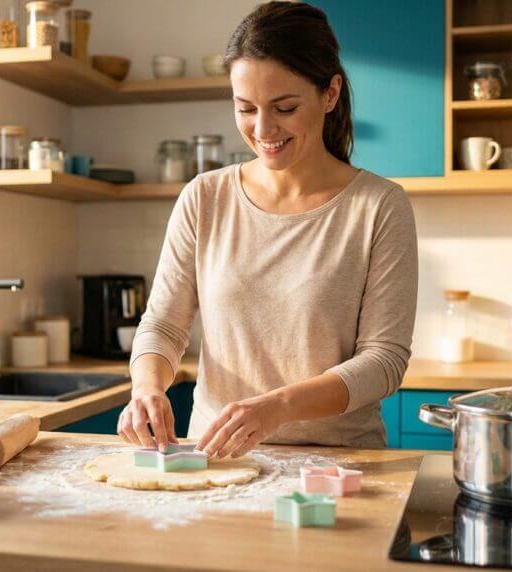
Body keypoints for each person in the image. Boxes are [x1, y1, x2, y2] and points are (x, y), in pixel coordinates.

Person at [118, 1, 418, 458]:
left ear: (330, 93)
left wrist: (277, 408)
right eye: (246, 108)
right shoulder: (204, 198)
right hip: (214, 461)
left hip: (338, 466)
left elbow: (384, 361)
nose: (263, 129)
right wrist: (146, 388)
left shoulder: (378, 207)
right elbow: (163, 324)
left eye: (285, 107)